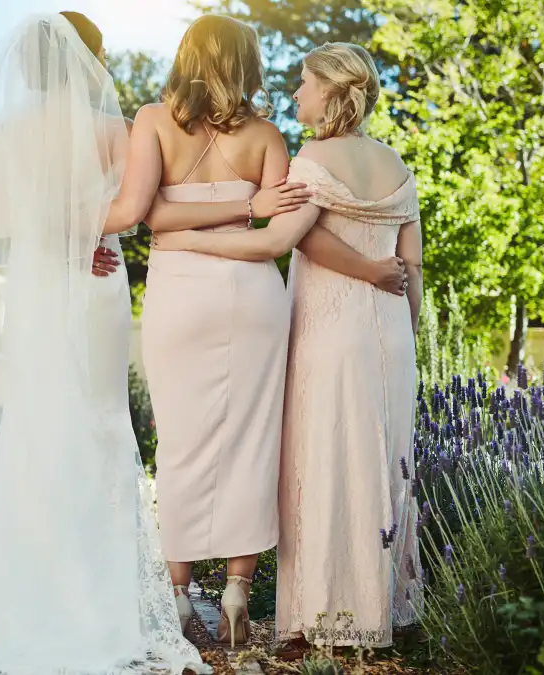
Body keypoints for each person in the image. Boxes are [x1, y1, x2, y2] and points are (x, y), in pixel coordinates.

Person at [0, 13, 210, 674]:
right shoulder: (113, 130)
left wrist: (51, 236)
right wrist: (81, 238)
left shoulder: (4, 132)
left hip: (39, 283)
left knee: (38, 424)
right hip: (93, 281)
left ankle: (32, 592)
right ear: (89, 59)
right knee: (98, 422)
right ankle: (99, 598)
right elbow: (129, 213)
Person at [153, 41, 424, 652]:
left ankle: (319, 622)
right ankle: (382, 613)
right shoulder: (397, 164)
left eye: (304, 83)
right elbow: (411, 264)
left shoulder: (313, 161)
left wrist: (187, 242)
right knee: (383, 467)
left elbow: (276, 244)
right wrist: (404, 329)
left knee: (321, 464)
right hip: (391, 335)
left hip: (331, 331)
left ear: (331, 91)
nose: (296, 93)